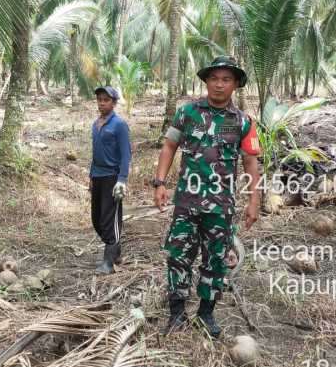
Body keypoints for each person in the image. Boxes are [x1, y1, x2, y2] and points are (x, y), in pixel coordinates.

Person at [151, 56, 261, 339]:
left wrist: (254, 200)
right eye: (214, 78)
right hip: (187, 202)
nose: (219, 85)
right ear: (206, 81)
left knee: (216, 259)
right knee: (178, 256)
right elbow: (169, 146)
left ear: (235, 84)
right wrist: (160, 182)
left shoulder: (243, 122)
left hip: (221, 207)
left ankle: (206, 313)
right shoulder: (187, 113)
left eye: (226, 79)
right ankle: (176, 312)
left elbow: (250, 163)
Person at [90, 86, 132, 274]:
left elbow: (126, 155)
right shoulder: (96, 123)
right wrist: (91, 176)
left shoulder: (119, 124)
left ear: (113, 103)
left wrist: (122, 179)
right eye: (99, 100)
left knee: (109, 219)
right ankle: (115, 250)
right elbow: (95, 153)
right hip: (97, 176)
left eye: (106, 100)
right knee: (96, 219)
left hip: (112, 177)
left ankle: (109, 262)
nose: (102, 103)